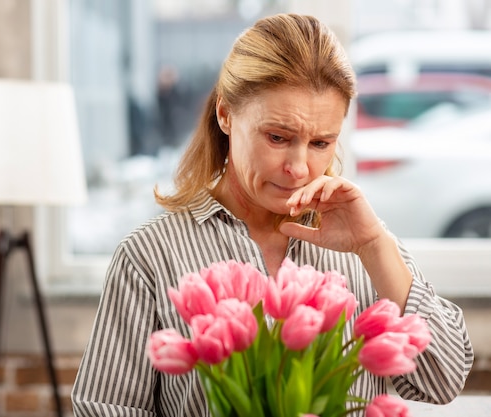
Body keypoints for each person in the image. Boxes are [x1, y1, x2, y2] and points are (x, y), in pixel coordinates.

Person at [71, 13, 473, 417]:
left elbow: (442, 382)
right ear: (225, 114)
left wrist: (374, 247)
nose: (298, 167)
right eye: (278, 137)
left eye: (320, 142)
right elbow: (104, 409)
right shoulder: (150, 256)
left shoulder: (366, 246)